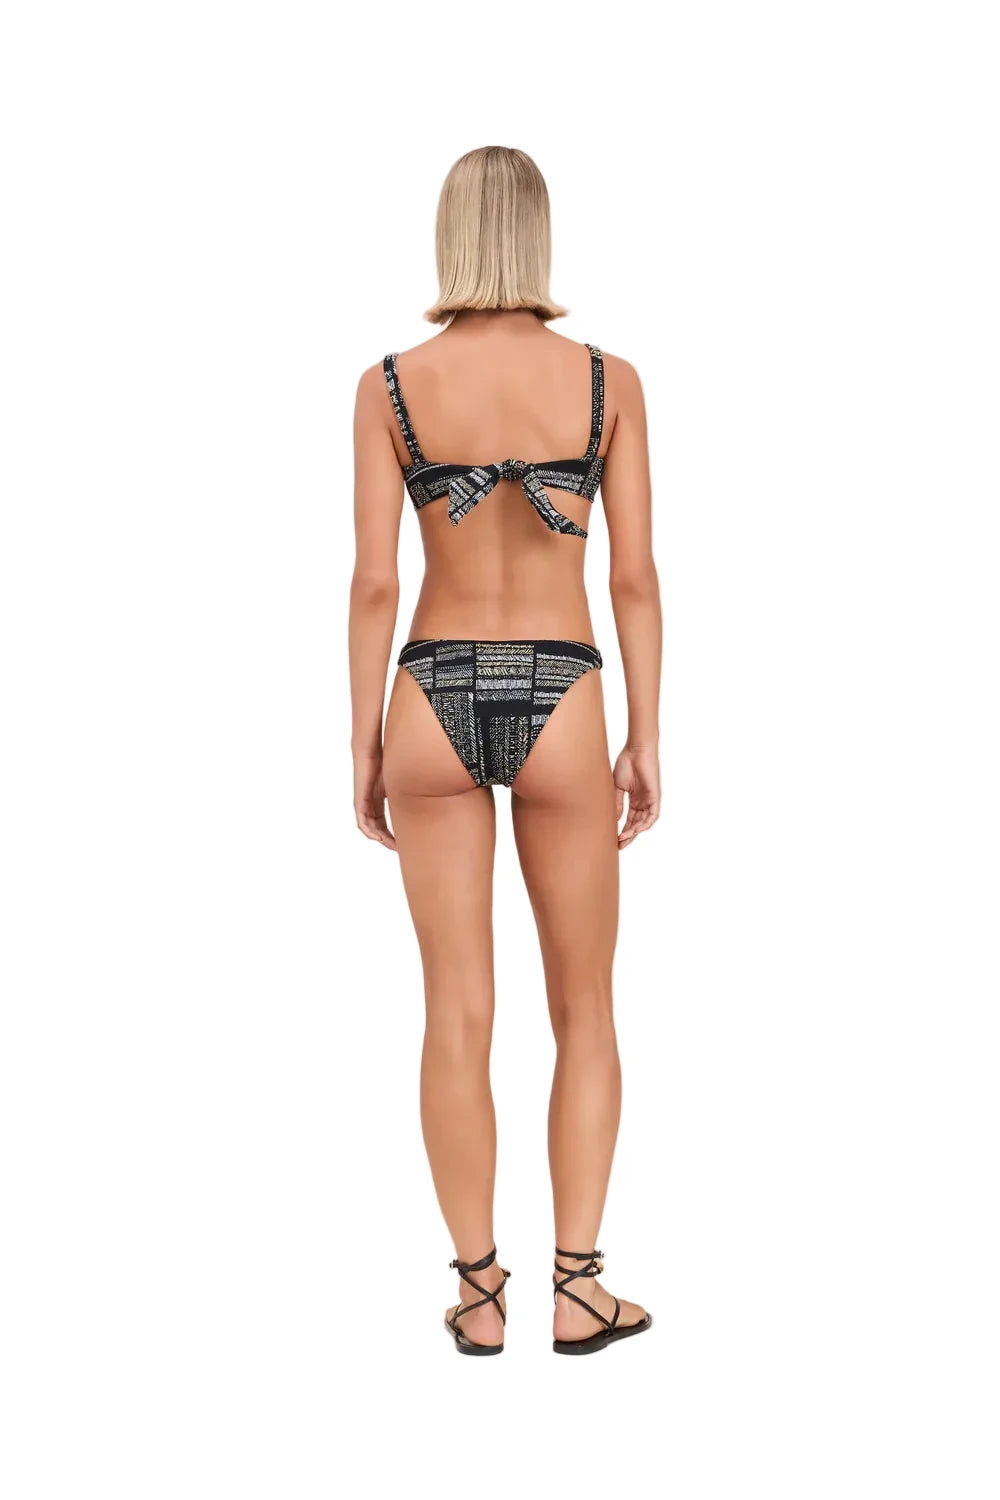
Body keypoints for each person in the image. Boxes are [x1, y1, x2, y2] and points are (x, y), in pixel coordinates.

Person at [350, 146, 661, 1355]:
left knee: (456, 1013)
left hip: (429, 688)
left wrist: (363, 739)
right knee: (584, 1007)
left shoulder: (390, 385)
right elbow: (631, 576)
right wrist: (645, 731)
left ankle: (480, 1297)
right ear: (537, 234)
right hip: (563, 688)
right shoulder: (606, 382)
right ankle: (577, 1290)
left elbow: (376, 582)